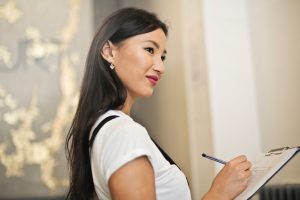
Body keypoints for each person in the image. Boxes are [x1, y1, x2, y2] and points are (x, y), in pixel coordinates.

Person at [65, 7, 252, 200]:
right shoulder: (124, 133)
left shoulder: (106, 128)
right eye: (149, 49)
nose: (160, 67)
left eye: (162, 56)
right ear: (109, 51)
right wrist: (218, 194)